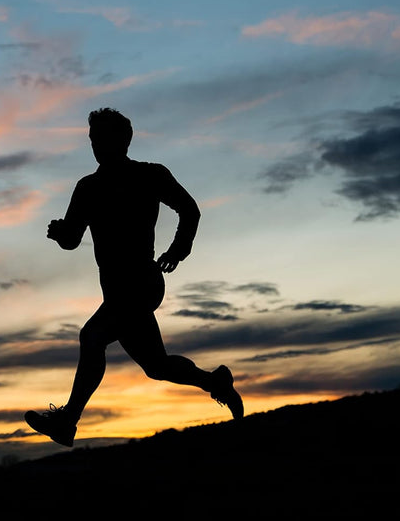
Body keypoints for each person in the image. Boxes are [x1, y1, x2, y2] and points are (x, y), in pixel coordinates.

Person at [25, 108, 243, 447]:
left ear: (123, 140)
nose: (96, 145)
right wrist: (60, 233)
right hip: (114, 291)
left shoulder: (150, 175)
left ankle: (68, 420)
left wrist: (177, 250)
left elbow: (189, 209)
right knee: (157, 366)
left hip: (142, 282)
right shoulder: (88, 188)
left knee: (92, 336)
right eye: (92, 139)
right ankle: (216, 382)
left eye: (102, 138)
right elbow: (72, 240)